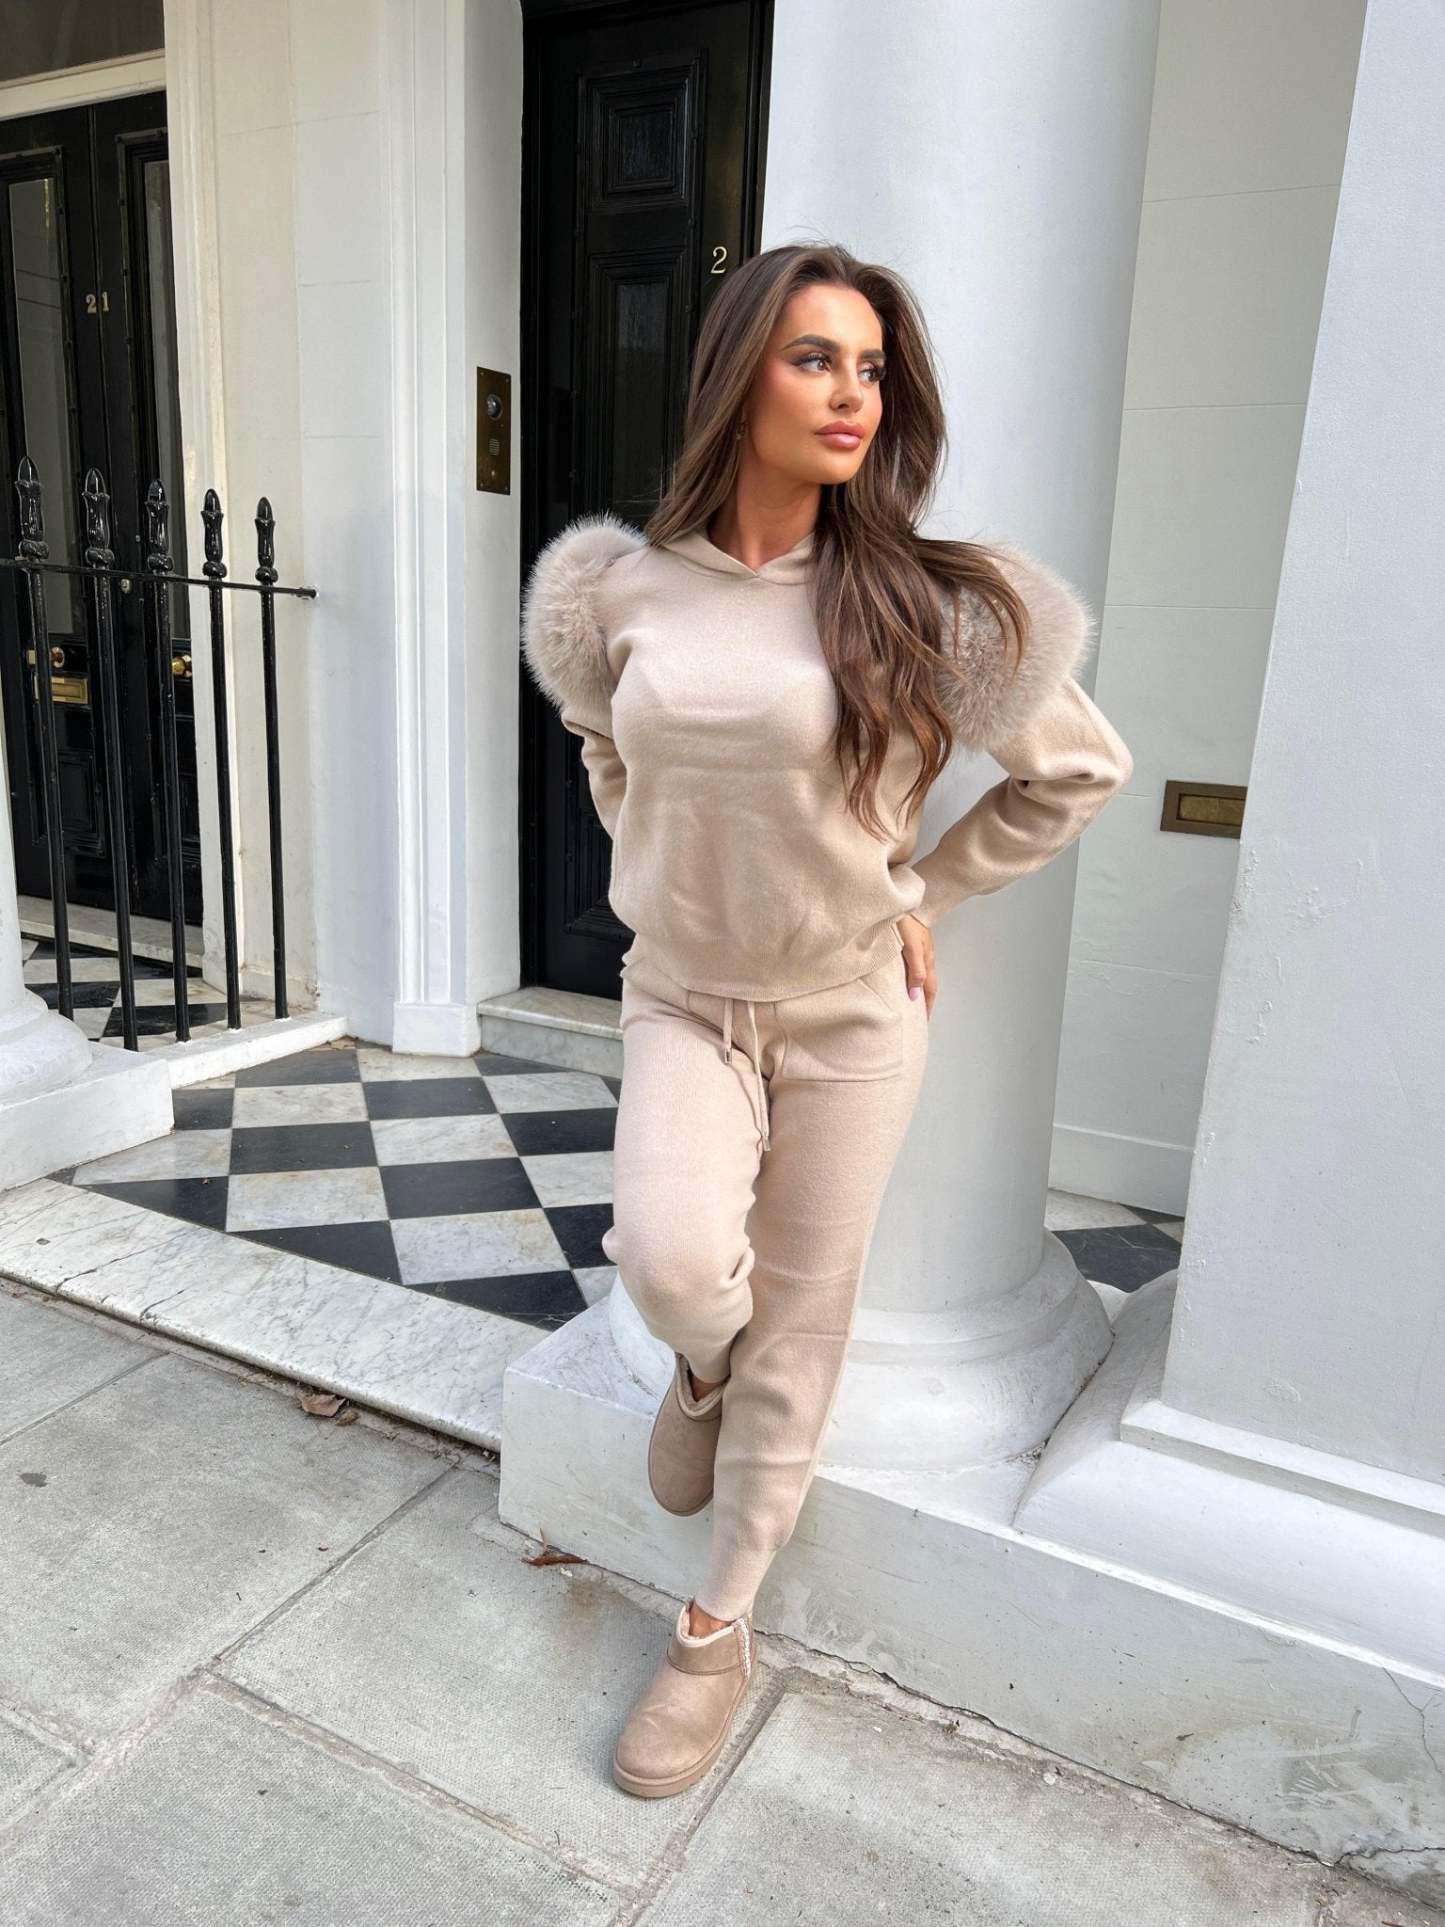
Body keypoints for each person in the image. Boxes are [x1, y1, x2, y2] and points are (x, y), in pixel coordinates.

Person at [520, 241, 1133, 1800]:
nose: (851, 394)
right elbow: (601, 740)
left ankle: (713, 1629)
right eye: (814, 358)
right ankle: (699, 1372)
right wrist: (656, 856)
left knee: (806, 1319)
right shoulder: (621, 592)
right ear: (737, 376)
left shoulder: (925, 603)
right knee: (671, 1260)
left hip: (850, 1013)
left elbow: (1078, 772)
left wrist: (922, 885)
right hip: (680, 996)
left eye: (869, 367)